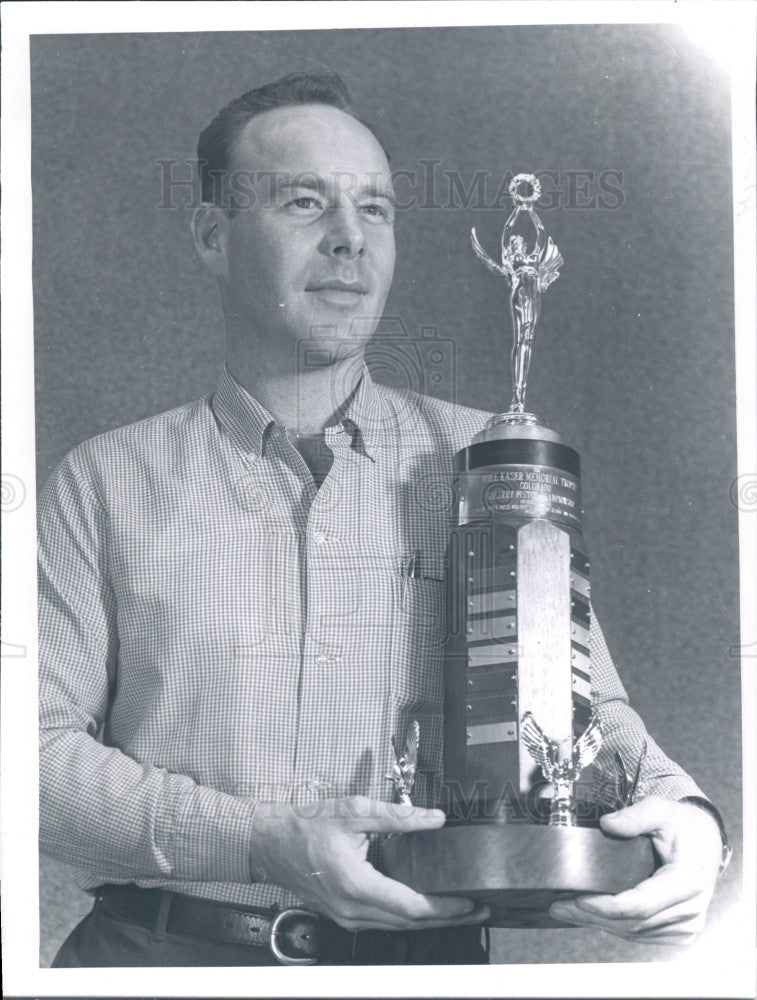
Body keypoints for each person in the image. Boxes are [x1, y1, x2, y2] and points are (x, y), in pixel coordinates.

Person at [39, 72, 729, 968]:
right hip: (153, 962)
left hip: (421, 974)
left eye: (376, 209)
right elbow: (28, 757)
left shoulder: (486, 459)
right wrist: (256, 841)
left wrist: (689, 817)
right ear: (213, 235)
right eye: (302, 202)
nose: (348, 241)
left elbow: (583, 713)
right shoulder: (103, 483)